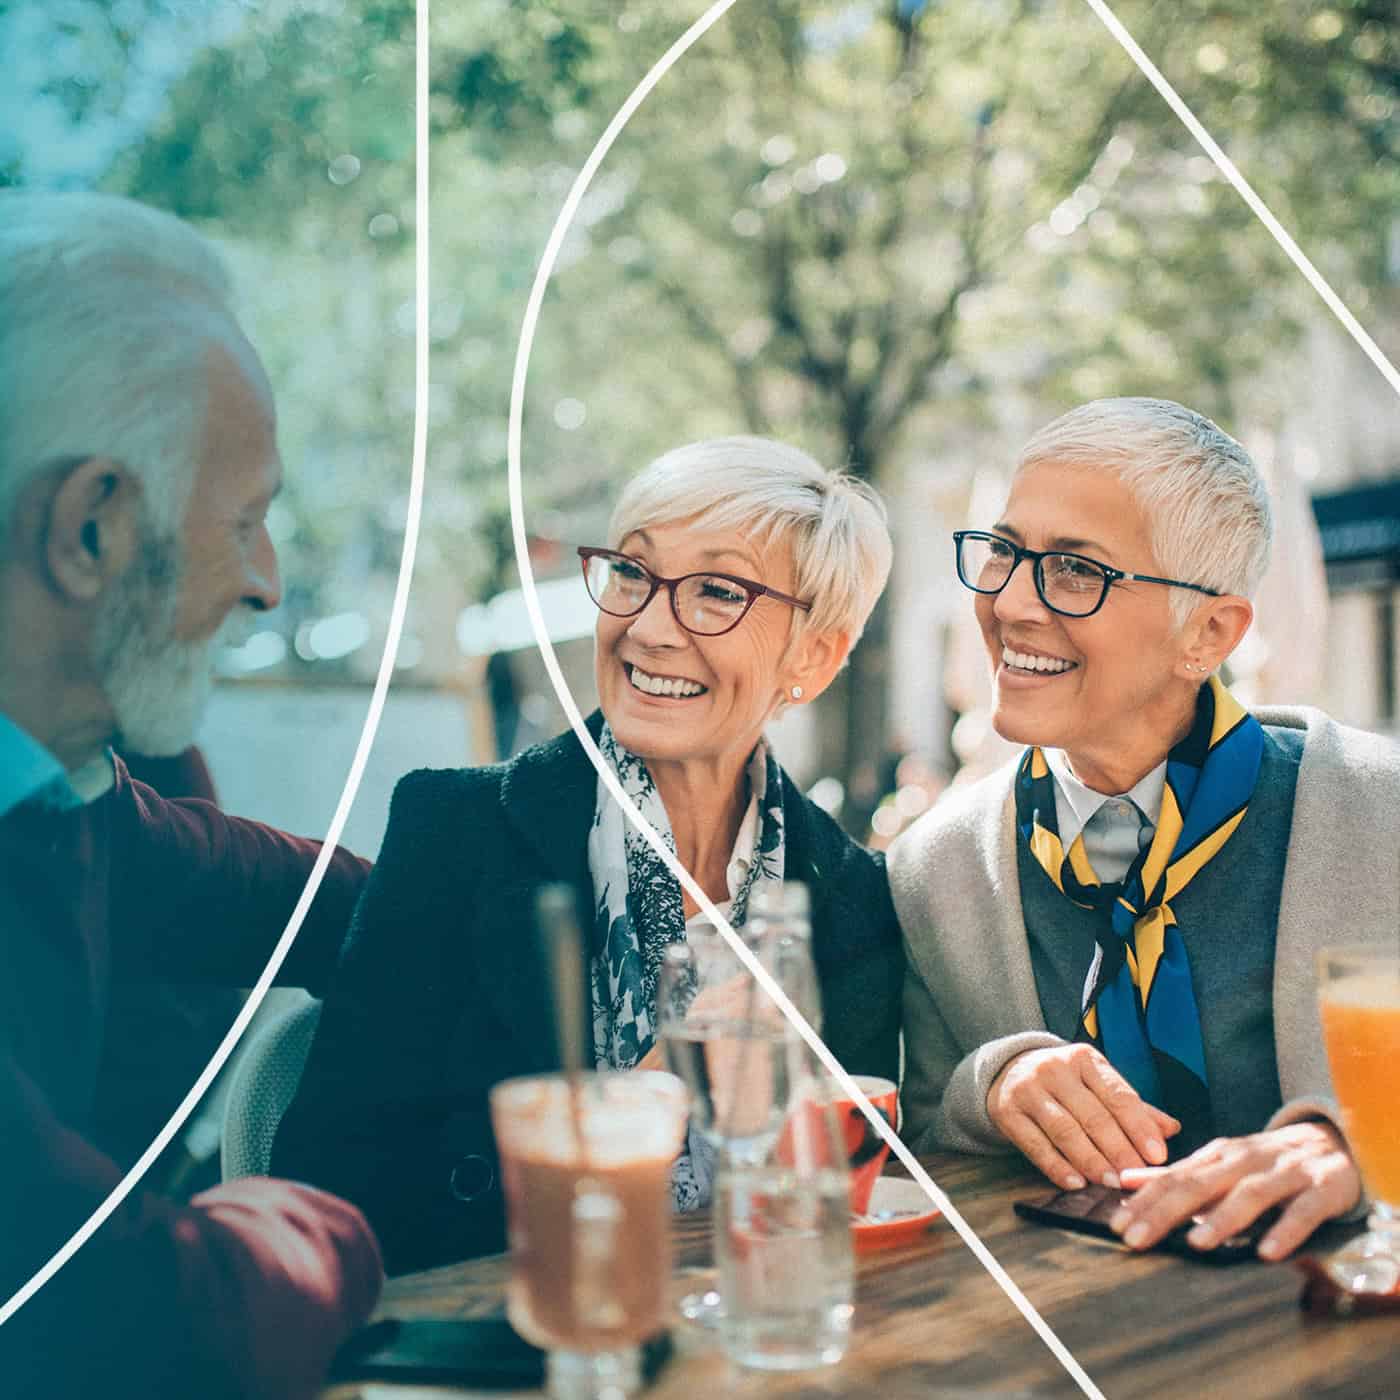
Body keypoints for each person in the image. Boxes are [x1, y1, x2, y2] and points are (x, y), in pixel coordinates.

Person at [273, 436, 905, 1274]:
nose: (648, 627)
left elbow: (846, 1203)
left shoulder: (854, 898)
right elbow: (324, 1188)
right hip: (519, 1331)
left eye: (717, 591)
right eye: (633, 573)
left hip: (765, 1325)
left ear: (814, 656)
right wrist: (634, 1113)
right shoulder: (453, 832)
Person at [0, 190, 379, 1398]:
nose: (265, 582)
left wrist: (514, 886)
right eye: (245, 519)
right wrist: (319, 1217)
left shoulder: (52, 796)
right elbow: (129, 1312)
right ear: (90, 528)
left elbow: (257, 884)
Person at [891, 397, 1400, 1263]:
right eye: (1004, 551)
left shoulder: (1378, 814)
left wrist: (1358, 1147)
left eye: (1075, 570)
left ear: (1208, 633)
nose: (1008, 601)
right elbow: (921, 1123)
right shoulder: (934, 869)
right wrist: (995, 1083)